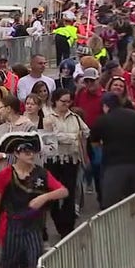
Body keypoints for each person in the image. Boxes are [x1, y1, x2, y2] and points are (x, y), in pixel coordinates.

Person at [0, 132, 69, 268]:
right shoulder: (5, 174)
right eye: (26, 151)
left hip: (34, 227)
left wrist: (44, 197)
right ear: (16, 153)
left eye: (33, 151)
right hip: (12, 228)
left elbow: (63, 191)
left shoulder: (42, 173)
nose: (31, 154)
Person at [41, 88, 88, 238]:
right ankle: (58, 221)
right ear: (55, 101)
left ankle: (68, 227)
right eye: (63, 101)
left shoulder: (74, 117)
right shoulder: (48, 118)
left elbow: (85, 132)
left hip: (71, 159)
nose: (66, 104)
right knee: (53, 193)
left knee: (69, 192)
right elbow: (52, 137)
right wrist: (72, 137)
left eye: (69, 101)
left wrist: (75, 139)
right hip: (53, 160)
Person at [89, 92, 135, 208]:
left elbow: (94, 142)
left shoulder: (102, 120)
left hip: (114, 166)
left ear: (106, 106)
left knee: (111, 206)